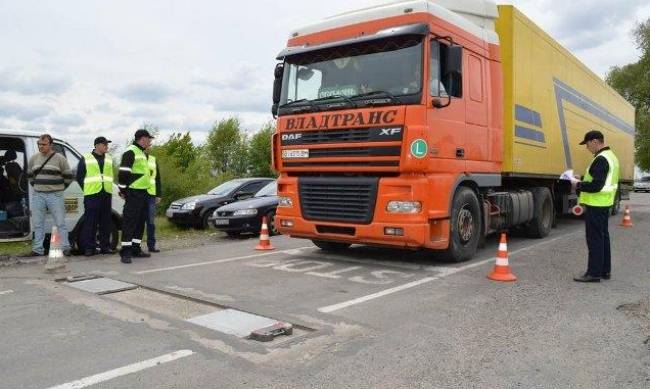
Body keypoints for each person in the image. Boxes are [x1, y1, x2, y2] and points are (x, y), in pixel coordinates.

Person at [572, 130, 620, 283]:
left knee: (594, 239)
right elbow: (599, 180)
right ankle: (604, 271)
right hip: (604, 203)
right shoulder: (611, 156)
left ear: (594, 141)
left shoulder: (601, 159)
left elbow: (596, 185)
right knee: (603, 237)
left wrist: (577, 184)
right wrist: (582, 179)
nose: (587, 147)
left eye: (587, 144)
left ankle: (593, 273)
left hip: (596, 204)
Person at [26, 134, 73, 256]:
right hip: (38, 195)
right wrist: (38, 186)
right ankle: (37, 249)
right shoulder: (34, 158)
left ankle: (65, 247)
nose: (40, 146)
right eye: (39, 144)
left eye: (43, 144)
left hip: (55, 195)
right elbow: (30, 175)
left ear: (50, 145)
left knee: (60, 223)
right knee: (38, 224)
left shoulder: (60, 158)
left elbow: (68, 176)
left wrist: (59, 188)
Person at [117, 129, 154, 263]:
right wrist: (123, 190)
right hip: (133, 192)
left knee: (140, 222)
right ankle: (125, 252)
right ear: (142, 139)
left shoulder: (142, 153)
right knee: (130, 222)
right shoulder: (131, 151)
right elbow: (123, 172)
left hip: (143, 192)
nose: (149, 141)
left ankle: (135, 249)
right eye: (148, 139)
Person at [76, 136, 115, 256]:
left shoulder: (109, 158)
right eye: (104, 144)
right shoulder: (86, 158)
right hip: (92, 194)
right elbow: (79, 176)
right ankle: (89, 248)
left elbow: (110, 175)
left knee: (106, 222)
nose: (107, 146)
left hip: (106, 194)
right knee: (90, 222)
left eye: (107, 144)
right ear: (97, 145)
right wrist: (87, 188)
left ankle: (105, 247)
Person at [144, 144, 162, 253]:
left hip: (151, 195)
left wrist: (158, 194)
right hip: (139, 195)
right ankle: (134, 246)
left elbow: (157, 178)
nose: (149, 147)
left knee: (150, 222)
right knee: (138, 222)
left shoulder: (153, 160)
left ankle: (151, 245)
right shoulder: (136, 158)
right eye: (147, 144)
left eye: (149, 145)